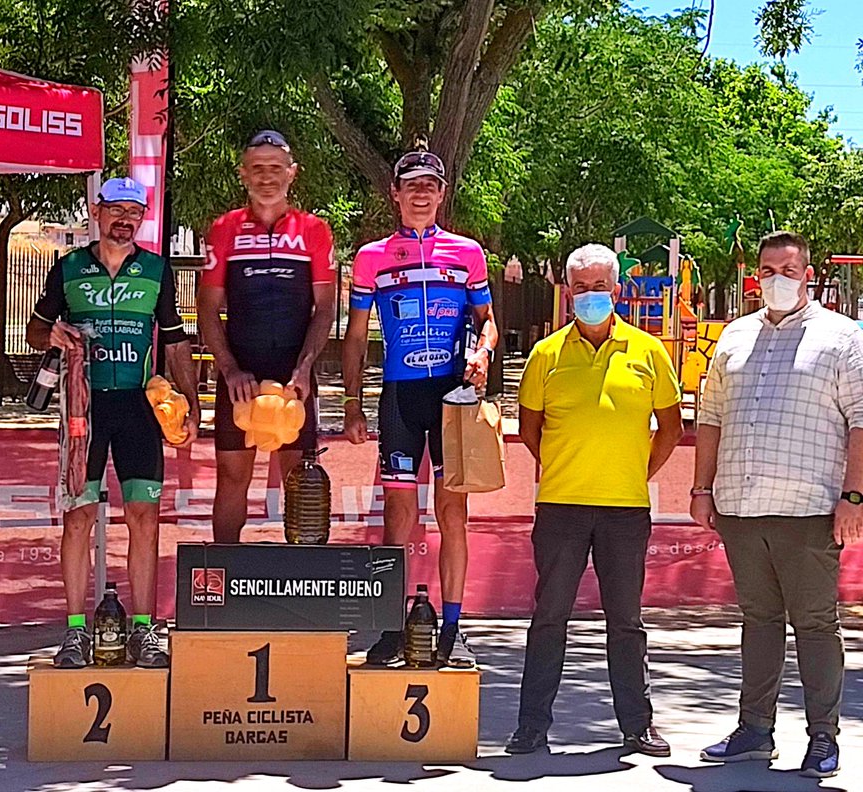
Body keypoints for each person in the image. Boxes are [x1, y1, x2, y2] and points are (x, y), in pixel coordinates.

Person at [693, 231, 863, 779]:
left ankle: (822, 739)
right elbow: (710, 417)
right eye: (767, 271)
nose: (776, 281)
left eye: (787, 271)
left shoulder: (842, 339)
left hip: (810, 510)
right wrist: (701, 490)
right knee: (758, 621)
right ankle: (754, 731)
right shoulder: (734, 338)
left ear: (808, 276)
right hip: (741, 508)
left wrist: (853, 497)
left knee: (815, 625)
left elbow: (861, 422)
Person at [507, 244, 682, 757]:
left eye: (599, 286)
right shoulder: (545, 355)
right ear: (568, 293)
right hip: (560, 507)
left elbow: (670, 429)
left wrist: (634, 471)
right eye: (580, 288)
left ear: (618, 290)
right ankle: (531, 727)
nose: (590, 296)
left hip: (626, 510)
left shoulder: (650, 352)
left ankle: (637, 726)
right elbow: (529, 429)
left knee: (626, 622)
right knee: (549, 618)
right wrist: (567, 467)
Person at [27, 177, 199, 669]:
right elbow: (37, 327)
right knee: (78, 517)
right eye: (116, 210)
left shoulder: (157, 270)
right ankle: (76, 631)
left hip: (139, 409)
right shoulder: (69, 268)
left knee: (144, 518)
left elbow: (173, 338)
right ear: (97, 212)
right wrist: (52, 332)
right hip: (84, 409)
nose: (124, 220)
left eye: (134, 212)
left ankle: (144, 630)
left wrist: (190, 400)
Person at [342, 148, 498, 668]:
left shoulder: (468, 253)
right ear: (396, 194)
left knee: (455, 513)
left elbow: (488, 320)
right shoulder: (371, 257)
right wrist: (352, 402)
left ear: (442, 193)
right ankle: (389, 626)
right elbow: (358, 334)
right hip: (400, 398)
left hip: (453, 398)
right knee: (399, 515)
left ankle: (453, 628)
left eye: (431, 185)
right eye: (412, 185)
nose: (421, 194)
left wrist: (483, 351)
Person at [197, 130, 336, 543]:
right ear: (243, 174)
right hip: (241, 369)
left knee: (301, 479)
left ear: (292, 174)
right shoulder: (225, 229)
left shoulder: (314, 230)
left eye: (275, 168)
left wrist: (306, 368)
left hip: (294, 369)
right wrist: (229, 370)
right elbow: (207, 306)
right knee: (231, 477)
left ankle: (303, 582)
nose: (266, 177)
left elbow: (326, 306)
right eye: (257, 168)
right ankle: (221, 578)